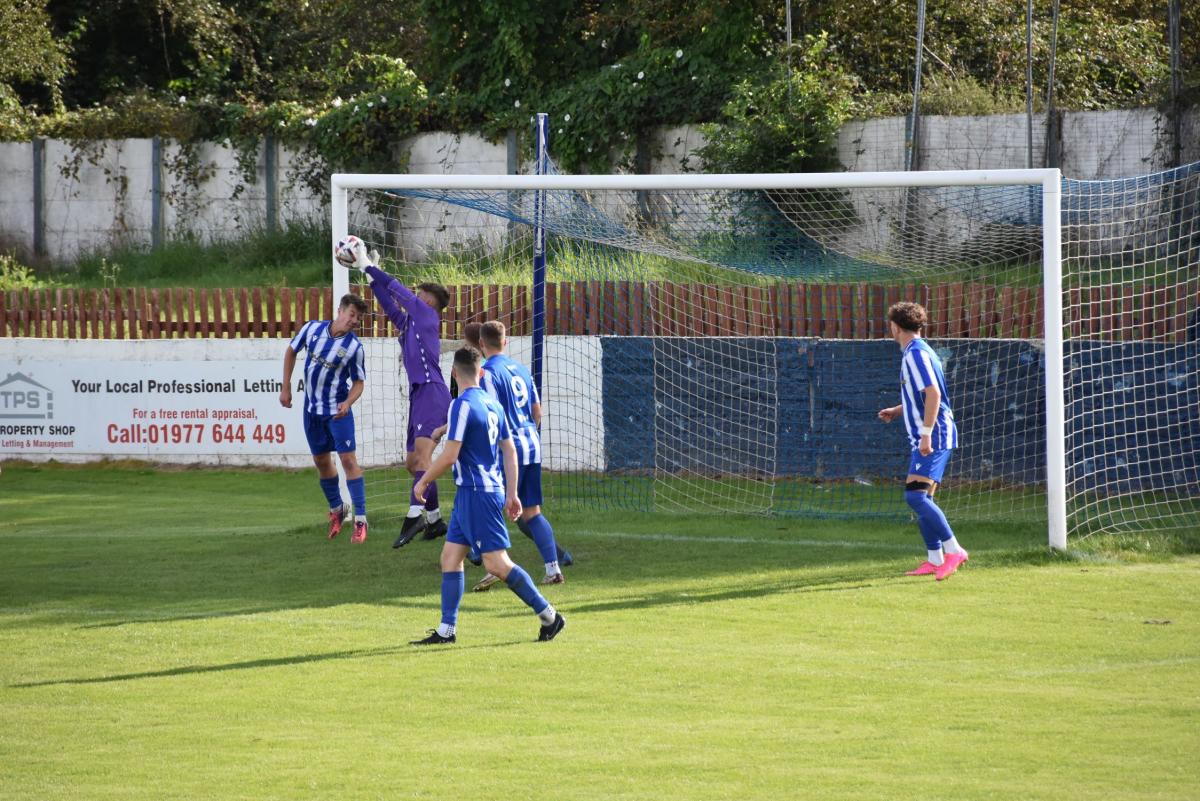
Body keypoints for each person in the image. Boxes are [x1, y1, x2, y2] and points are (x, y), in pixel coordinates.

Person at [410, 346, 566, 645]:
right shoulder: (493, 405)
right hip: (480, 492)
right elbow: (509, 450)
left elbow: (450, 455)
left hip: (477, 495)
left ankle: (549, 615)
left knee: (496, 564)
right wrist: (512, 493)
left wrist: (423, 481)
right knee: (450, 557)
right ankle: (446, 630)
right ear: (481, 372)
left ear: (453, 373)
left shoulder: (460, 405)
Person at [340, 237, 452, 548]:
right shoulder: (411, 323)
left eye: (421, 295)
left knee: (423, 458)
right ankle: (435, 520)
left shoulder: (427, 315)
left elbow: (398, 291)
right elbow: (390, 304)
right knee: (412, 462)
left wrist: (368, 265)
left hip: (431, 392)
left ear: (429, 302)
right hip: (420, 395)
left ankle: (415, 515)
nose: (416, 296)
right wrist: (370, 277)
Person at [470, 320, 573, 591]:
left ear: (481, 344)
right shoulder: (522, 370)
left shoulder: (487, 373)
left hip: (507, 449)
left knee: (488, 505)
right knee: (532, 513)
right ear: (505, 342)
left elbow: (488, 412)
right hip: (532, 444)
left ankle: (494, 566)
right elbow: (537, 412)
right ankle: (553, 568)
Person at [877, 301, 969, 580]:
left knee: (915, 496)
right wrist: (898, 410)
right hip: (933, 433)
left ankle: (954, 550)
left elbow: (934, 394)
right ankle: (934, 559)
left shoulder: (915, 355)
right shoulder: (921, 350)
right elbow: (922, 395)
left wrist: (926, 433)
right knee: (924, 498)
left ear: (895, 327)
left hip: (934, 435)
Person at [280, 293, 370, 544]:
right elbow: (291, 351)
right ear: (340, 310)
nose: (354, 321)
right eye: (352, 315)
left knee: (348, 461)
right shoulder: (312, 329)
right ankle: (337, 508)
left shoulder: (354, 348)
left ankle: (361, 520)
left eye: (358, 318)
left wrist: (348, 402)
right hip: (312, 410)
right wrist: (286, 387)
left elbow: (359, 383)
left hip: (338, 411)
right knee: (321, 460)